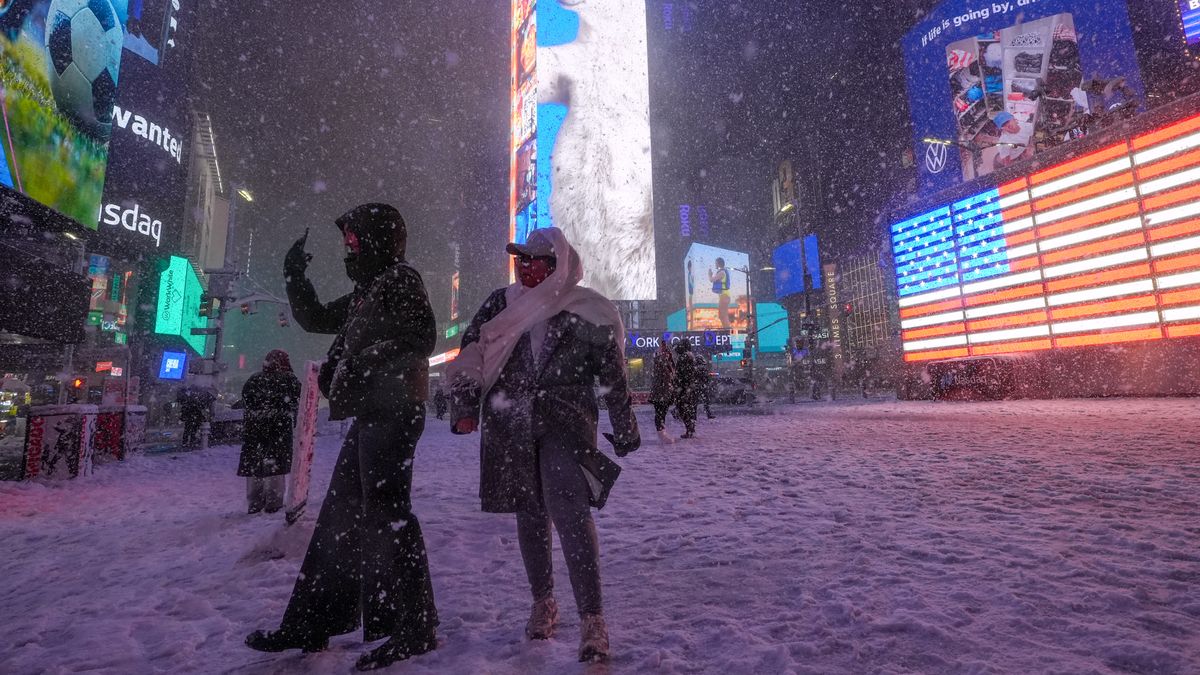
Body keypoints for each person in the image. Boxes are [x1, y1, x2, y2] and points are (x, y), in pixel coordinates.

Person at [245, 203, 439, 672]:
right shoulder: (367, 292)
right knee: (341, 518)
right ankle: (312, 621)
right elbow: (312, 317)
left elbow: (421, 336)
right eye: (345, 241)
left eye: (353, 240)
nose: (347, 248)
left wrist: (359, 363)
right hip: (374, 411)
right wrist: (295, 275)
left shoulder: (399, 280)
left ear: (377, 239)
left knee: (387, 515)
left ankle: (414, 625)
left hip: (394, 411)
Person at [447, 227, 640, 663]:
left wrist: (624, 425)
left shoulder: (588, 309)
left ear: (560, 265)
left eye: (537, 260)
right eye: (523, 260)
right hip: (509, 422)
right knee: (529, 514)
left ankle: (593, 618)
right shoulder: (501, 304)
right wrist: (464, 403)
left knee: (569, 512)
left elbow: (611, 376)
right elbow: (472, 354)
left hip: (565, 423)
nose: (527, 268)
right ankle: (543, 602)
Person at [236, 350, 301, 514]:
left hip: (254, 430)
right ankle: (274, 502)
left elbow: (246, 399)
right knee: (275, 466)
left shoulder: (255, 379)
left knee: (255, 465)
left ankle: (255, 502)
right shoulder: (289, 379)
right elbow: (299, 397)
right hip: (278, 429)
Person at [649, 341, 675, 445]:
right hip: (661, 392)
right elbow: (664, 377)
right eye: (664, 350)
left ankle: (662, 432)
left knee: (662, 413)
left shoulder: (667, 362)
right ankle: (661, 434)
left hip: (664, 392)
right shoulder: (660, 361)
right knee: (660, 413)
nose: (667, 353)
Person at [673, 340, 698, 439]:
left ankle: (689, 428)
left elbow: (681, 374)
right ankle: (690, 427)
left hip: (684, 387)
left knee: (683, 408)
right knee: (688, 408)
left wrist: (679, 384)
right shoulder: (690, 356)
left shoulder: (684, 357)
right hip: (688, 387)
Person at [709, 257, 731, 329]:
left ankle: (728, 330)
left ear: (718, 264)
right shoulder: (722, 271)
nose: (715, 264)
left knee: (723, 315)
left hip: (724, 295)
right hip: (724, 295)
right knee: (722, 315)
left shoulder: (721, 272)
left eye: (716, 263)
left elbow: (712, 280)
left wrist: (709, 274)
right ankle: (726, 329)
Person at [694, 352, 715, 419]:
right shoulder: (702, 368)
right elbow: (705, 378)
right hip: (702, 386)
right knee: (706, 401)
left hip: (696, 386)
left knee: (695, 402)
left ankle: (694, 416)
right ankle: (708, 414)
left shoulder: (694, 368)